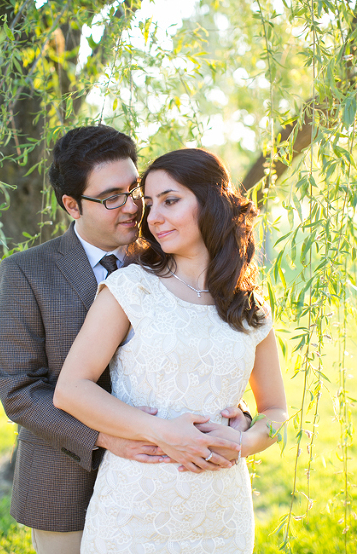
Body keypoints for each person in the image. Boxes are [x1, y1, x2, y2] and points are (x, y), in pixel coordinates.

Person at [0, 126, 245, 554]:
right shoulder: (28, 271)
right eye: (112, 197)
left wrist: (235, 414)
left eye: (134, 190)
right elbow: (18, 390)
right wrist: (107, 438)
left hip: (163, 486)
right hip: (64, 475)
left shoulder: (168, 260)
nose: (132, 207)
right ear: (72, 205)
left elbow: (208, 348)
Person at [54, 148, 288, 553]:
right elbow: (71, 389)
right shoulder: (132, 288)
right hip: (135, 512)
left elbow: (277, 411)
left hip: (222, 515)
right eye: (149, 204)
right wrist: (163, 433)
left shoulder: (250, 306)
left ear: (212, 201)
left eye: (170, 200)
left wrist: (242, 443)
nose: (154, 217)